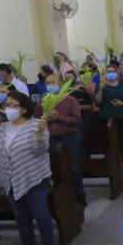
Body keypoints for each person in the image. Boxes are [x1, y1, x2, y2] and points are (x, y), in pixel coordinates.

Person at [0, 92, 56, 245]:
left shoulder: (36, 125)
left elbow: (40, 150)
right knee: (20, 217)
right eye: (7, 105)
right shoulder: (1, 129)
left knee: (41, 214)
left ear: (24, 108)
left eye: (13, 105)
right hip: (10, 180)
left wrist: (40, 134)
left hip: (34, 177)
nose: (9, 108)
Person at [41, 72, 85, 206]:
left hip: (69, 137)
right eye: (48, 83)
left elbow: (77, 120)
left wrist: (59, 117)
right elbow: (36, 119)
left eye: (53, 83)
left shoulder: (70, 100)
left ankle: (79, 195)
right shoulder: (43, 102)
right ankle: (63, 199)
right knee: (55, 169)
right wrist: (44, 118)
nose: (50, 86)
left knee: (73, 168)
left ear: (60, 84)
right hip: (51, 139)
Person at [96, 63, 123, 174]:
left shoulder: (122, 85)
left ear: (117, 73)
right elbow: (97, 101)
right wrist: (101, 90)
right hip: (106, 118)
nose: (110, 74)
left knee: (122, 141)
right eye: (108, 72)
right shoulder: (102, 85)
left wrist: (122, 103)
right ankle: (111, 166)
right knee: (107, 142)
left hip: (120, 116)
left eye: (112, 71)